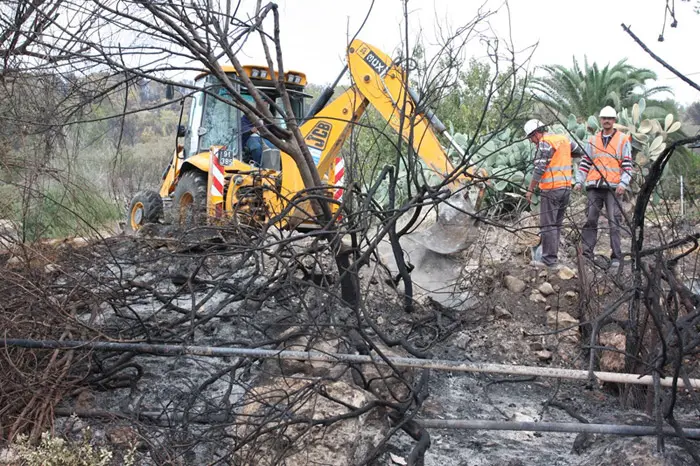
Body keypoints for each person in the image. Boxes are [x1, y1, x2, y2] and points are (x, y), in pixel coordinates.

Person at [574, 106, 633, 269]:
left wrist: (623, 183)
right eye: (604, 118)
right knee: (590, 220)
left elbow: (627, 164)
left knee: (614, 222)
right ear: (600, 120)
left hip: (613, 188)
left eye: (610, 118)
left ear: (614, 121)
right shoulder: (592, 140)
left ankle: (616, 256)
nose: (607, 120)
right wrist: (579, 181)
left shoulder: (622, 140)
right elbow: (585, 162)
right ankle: (586, 253)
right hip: (594, 186)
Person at [524, 119, 585, 269]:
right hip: (565, 188)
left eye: (531, 138)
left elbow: (539, 169)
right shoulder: (563, 139)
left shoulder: (545, 142)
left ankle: (549, 261)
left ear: (536, 133)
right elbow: (579, 151)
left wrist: (530, 190)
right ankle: (552, 257)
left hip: (551, 189)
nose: (532, 142)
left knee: (548, 225)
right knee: (556, 224)